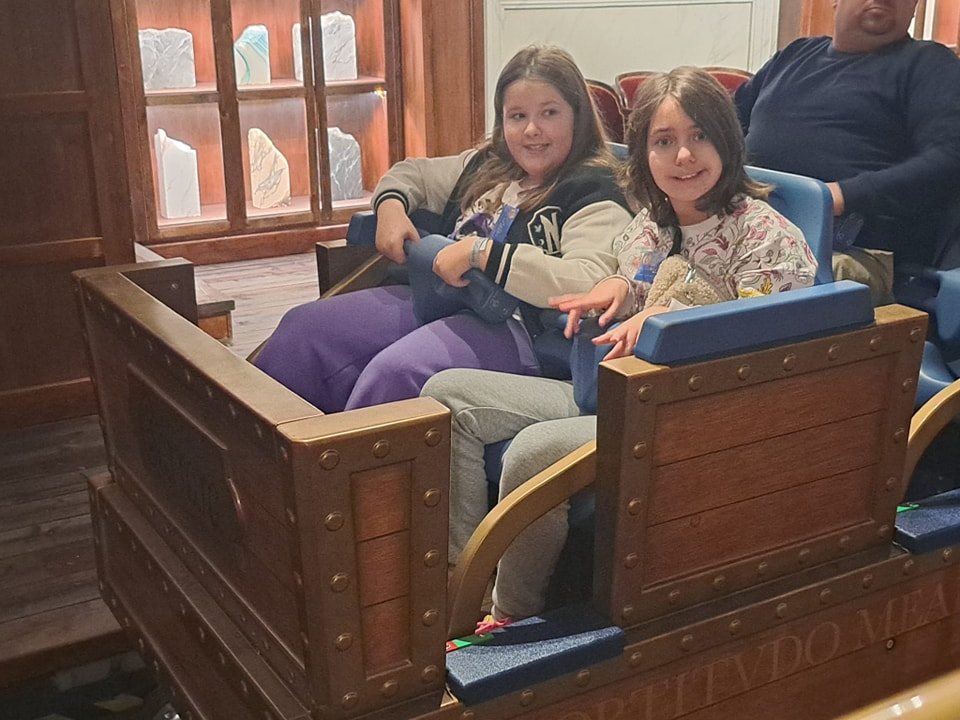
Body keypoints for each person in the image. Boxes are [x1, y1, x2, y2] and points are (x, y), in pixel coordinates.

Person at [424, 67, 817, 624]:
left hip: (692, 411)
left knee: (534, 450)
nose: (684, 156)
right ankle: (462, 585)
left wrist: (669, 319)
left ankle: (510, 612)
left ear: (729, 140)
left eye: (700, 135)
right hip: (608, 389)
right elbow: (634, 280)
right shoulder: (649, 225)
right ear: (643, 154)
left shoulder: (768, 237)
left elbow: (767, 349)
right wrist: (617, 287)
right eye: (664, 141)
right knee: (447, 395)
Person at [252, 46, 632, 412]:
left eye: (549, 113)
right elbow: (413, 173)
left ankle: (342, 456)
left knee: (397, 372)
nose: (532, 129)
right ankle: (270, 451)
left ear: (577, 116)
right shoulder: (489, 164)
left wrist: (481, 253)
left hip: (518, 327)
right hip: (437, 295)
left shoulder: (594, 188)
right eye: (517, 116)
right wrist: (390, 207)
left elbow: (586, 279)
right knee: (304, 330)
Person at [734, 0, 960, 305]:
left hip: (848, 250)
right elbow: (720, 126)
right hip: (746, 226)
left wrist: (836, 197)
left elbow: (948, 160)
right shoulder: (794, 55)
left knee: (750, 290)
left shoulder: (929, 65)